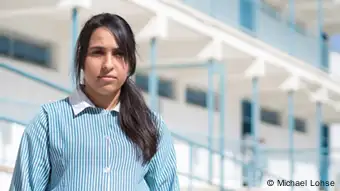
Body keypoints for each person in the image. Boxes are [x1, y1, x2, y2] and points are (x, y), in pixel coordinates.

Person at [9, 13, 180, 191]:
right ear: (82, 59)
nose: (108, 64)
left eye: (119, 53)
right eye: (97, 53)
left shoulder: (153, 127)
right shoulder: (48, 122)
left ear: (130, 63)